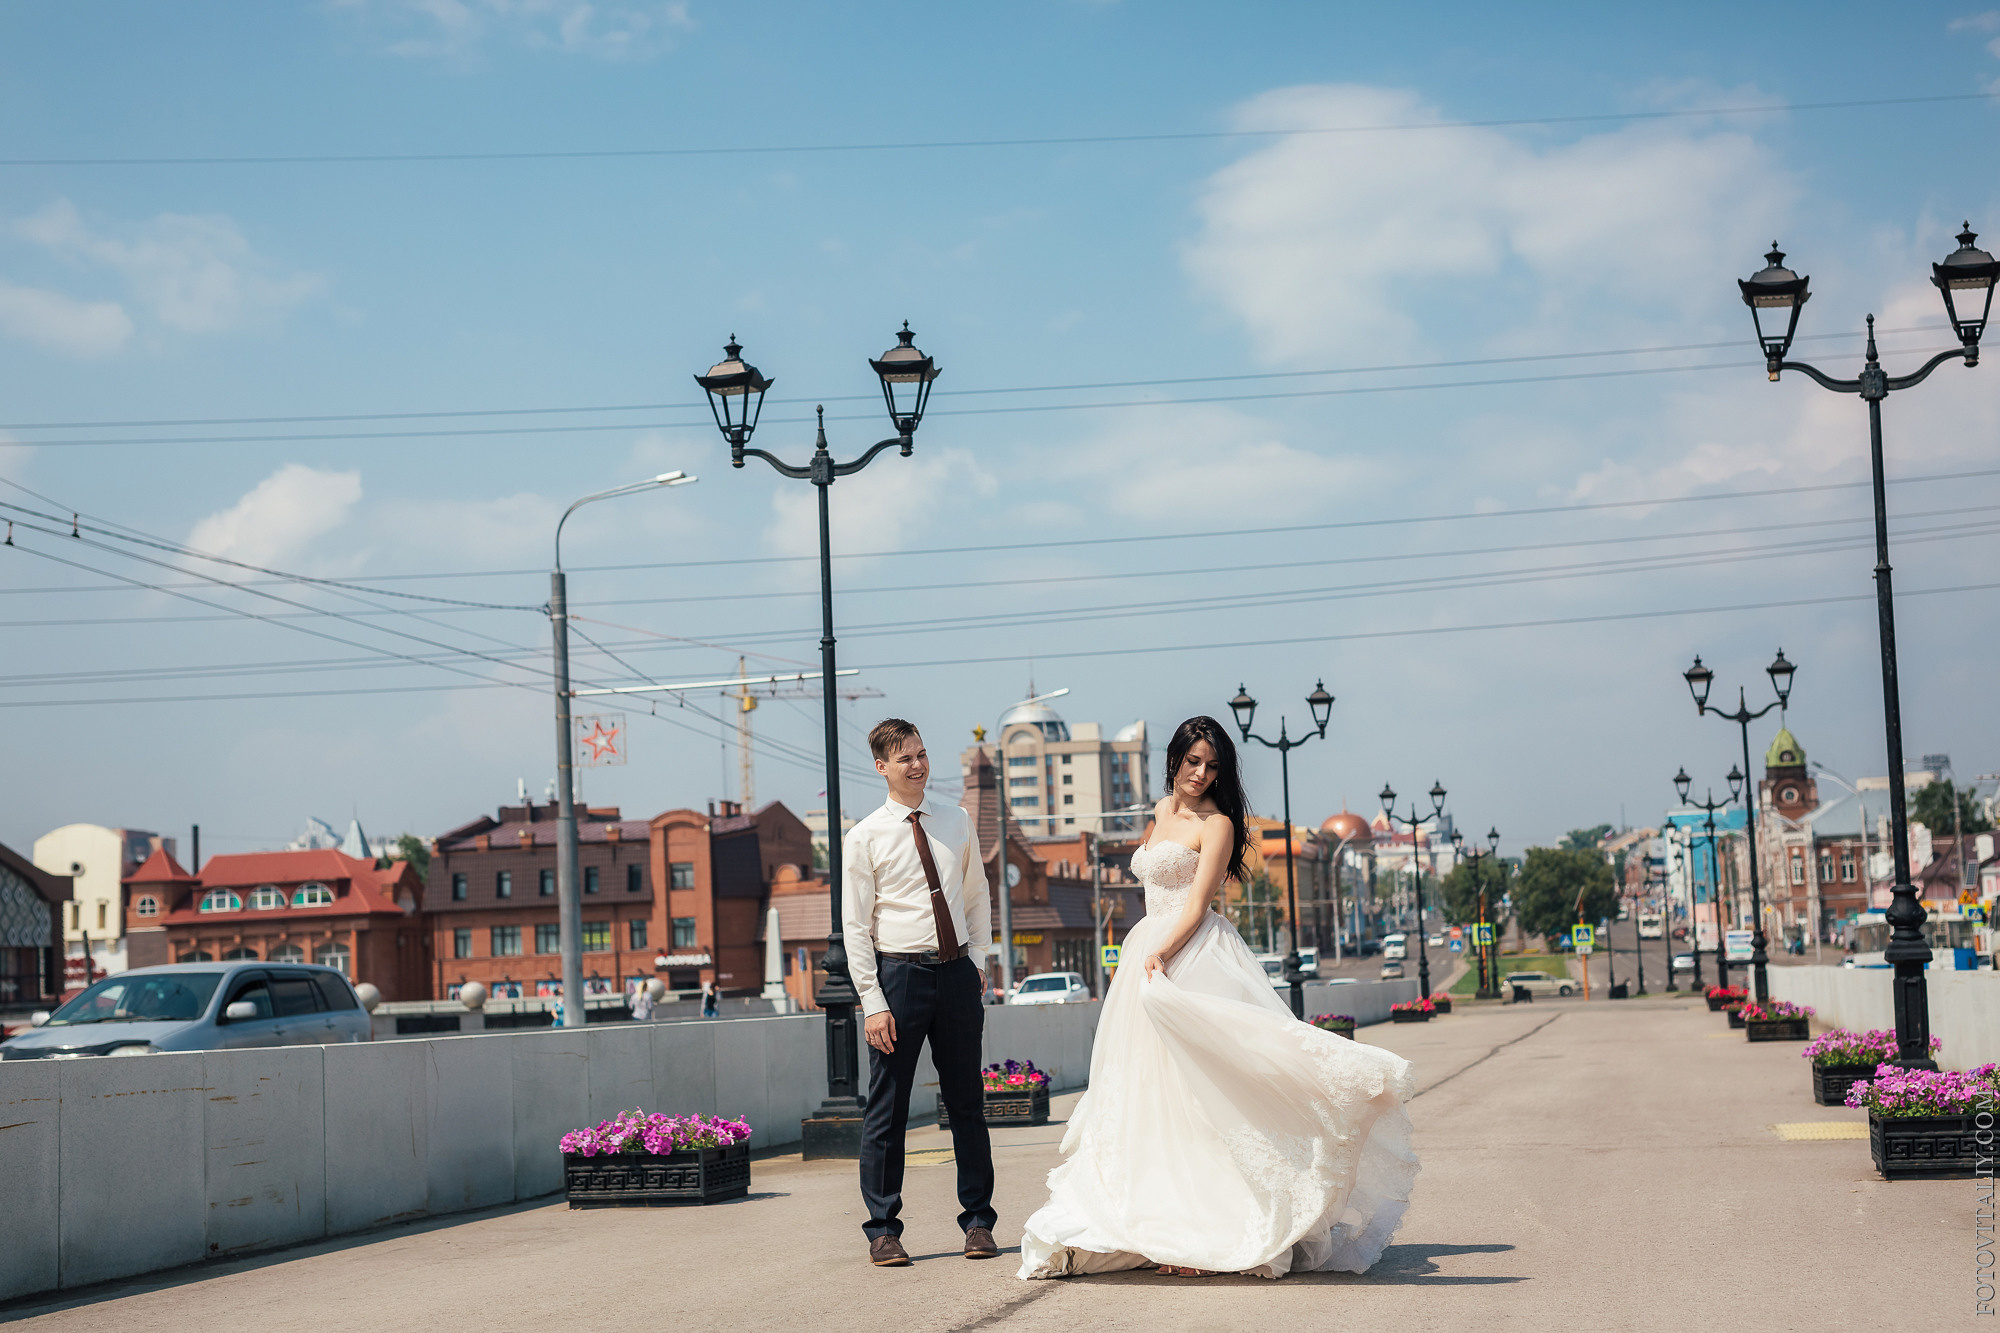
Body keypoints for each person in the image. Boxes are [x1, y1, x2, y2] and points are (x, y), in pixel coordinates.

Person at [1017, 716, 1419, 1280]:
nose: (1200, 774)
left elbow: (1198, 903)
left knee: (1209, 1091)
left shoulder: (1219, 824)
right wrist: (1147, 953)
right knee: (1151, 1094)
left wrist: (1164, 954)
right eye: (1192, 762)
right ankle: (1161, 1224)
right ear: (1175, 759)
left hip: (1190, 953)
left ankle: (1209, 1230)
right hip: (1146, 952)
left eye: (1212, 766)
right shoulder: (1159, 813)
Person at [843, 717, 998, 1268]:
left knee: (967, 1104)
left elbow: (976, 895)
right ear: (882, 767)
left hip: (957, 975)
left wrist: (977, 960)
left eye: (923, 754)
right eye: (905, 757)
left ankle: (978, 1221)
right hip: (898, 978)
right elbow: (856, 928)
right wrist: (873, 1002)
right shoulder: (863, 837)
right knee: (887, 1110)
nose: (918, 765)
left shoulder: (956, 822)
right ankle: (883, 1229)